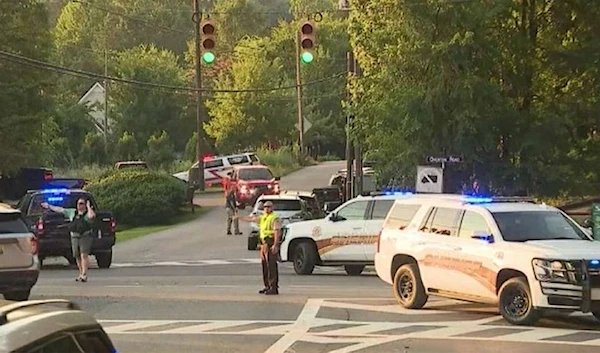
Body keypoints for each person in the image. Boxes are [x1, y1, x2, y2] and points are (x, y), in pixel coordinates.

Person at [41, 198, 96, 282]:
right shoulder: (72, 212)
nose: (79, 205)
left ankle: (84, 274)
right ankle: (81, 273)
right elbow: (60, 209)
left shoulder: (87, 213)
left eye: (81, 203)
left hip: (85, 236)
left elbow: (92, 216)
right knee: (77, 255)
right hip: (74, 236)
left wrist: (89, 207)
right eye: (78, 203)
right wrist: (49, 206)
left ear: (85, 204)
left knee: (84, 255)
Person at [235, 200, 280, 295]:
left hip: (270, 242)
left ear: (272, 208)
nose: (267, 208)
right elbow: (251, 219)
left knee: (271, 265)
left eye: (269, 207)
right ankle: (267, 286)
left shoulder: (274, 218)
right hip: (263, 244)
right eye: (265, 207)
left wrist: (275, 244)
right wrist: (239, 217)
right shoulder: (263, 217)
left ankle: (273, 287)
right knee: (265, 265)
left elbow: (277, 231)